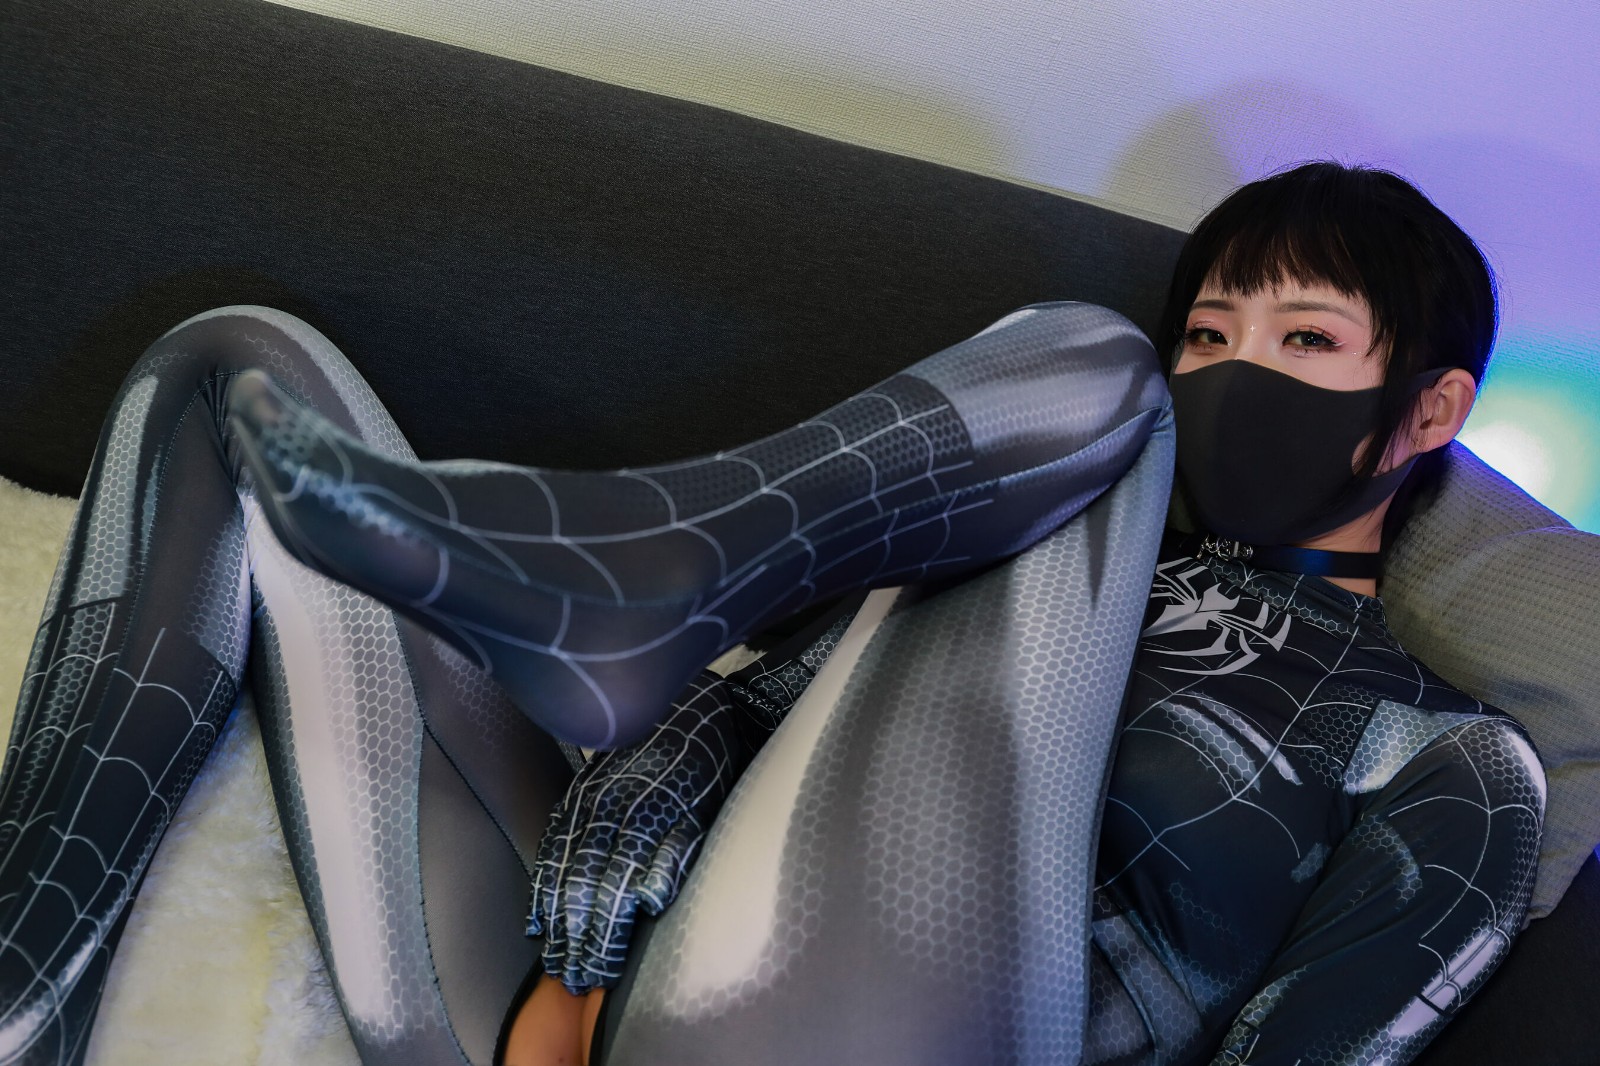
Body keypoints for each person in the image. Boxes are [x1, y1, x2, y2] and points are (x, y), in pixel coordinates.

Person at [0, 160, 1542, 1066]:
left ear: (1426, 410)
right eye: (1204, 333)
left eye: (1303, 339)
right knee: (230, 369)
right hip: (568, 1005)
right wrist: (577, 967)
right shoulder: (1042, 543)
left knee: (1092, 379)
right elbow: (739, 716)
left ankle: (651, 567)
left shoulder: (1451, 754)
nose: (1225, 372)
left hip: (876, 1022)